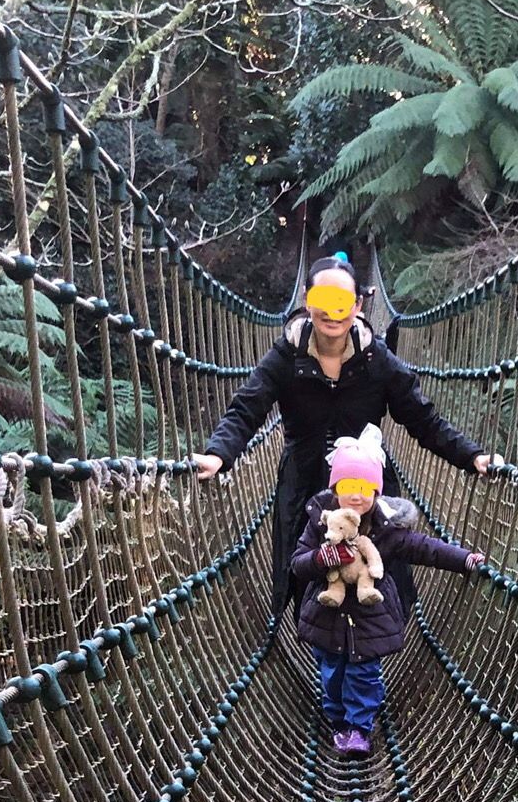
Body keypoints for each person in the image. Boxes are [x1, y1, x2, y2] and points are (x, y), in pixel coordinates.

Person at [194, 253, 496, 618]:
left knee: (377, 574)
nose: (332, 311)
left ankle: (375, 646)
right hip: (305, 489)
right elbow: (248, 407)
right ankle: (320, 648)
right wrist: (218, 453)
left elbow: (422, 418)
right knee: (312, 582)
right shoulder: (287, 356)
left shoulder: (375, 359)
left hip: (366, 490)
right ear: (307, 301)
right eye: (323, 299)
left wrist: (471, 456)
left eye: (342, 301)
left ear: (357, 306)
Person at [294, 428, 485, 754]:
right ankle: (338, 720)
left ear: (376, 490)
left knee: (364, 674)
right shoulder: (321, 522)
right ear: (336, 488)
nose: (356, 496)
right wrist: (320, 558)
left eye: (364, 488)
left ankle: (359, 727)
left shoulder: (386, 527)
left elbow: (425, 548)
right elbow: (298, 563)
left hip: (370, 618)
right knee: (332, 674)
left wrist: (464, 559)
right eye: (348, 487)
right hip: (326, 617)